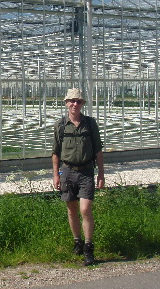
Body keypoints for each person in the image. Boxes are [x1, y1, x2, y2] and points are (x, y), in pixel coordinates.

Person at [52, 88, 105, 266]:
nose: (75, 104)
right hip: (67, 171)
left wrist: (101, 175)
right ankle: (77, 242)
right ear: (66, 103)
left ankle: (89, 248)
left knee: (84, 209)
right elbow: (55, 153)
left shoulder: (90, 124)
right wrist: (56, 176)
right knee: (71, 210)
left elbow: (98, 150)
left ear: (83, 104)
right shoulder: (60, 126)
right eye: (72, 101)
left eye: (79, 101)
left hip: (86, 171)